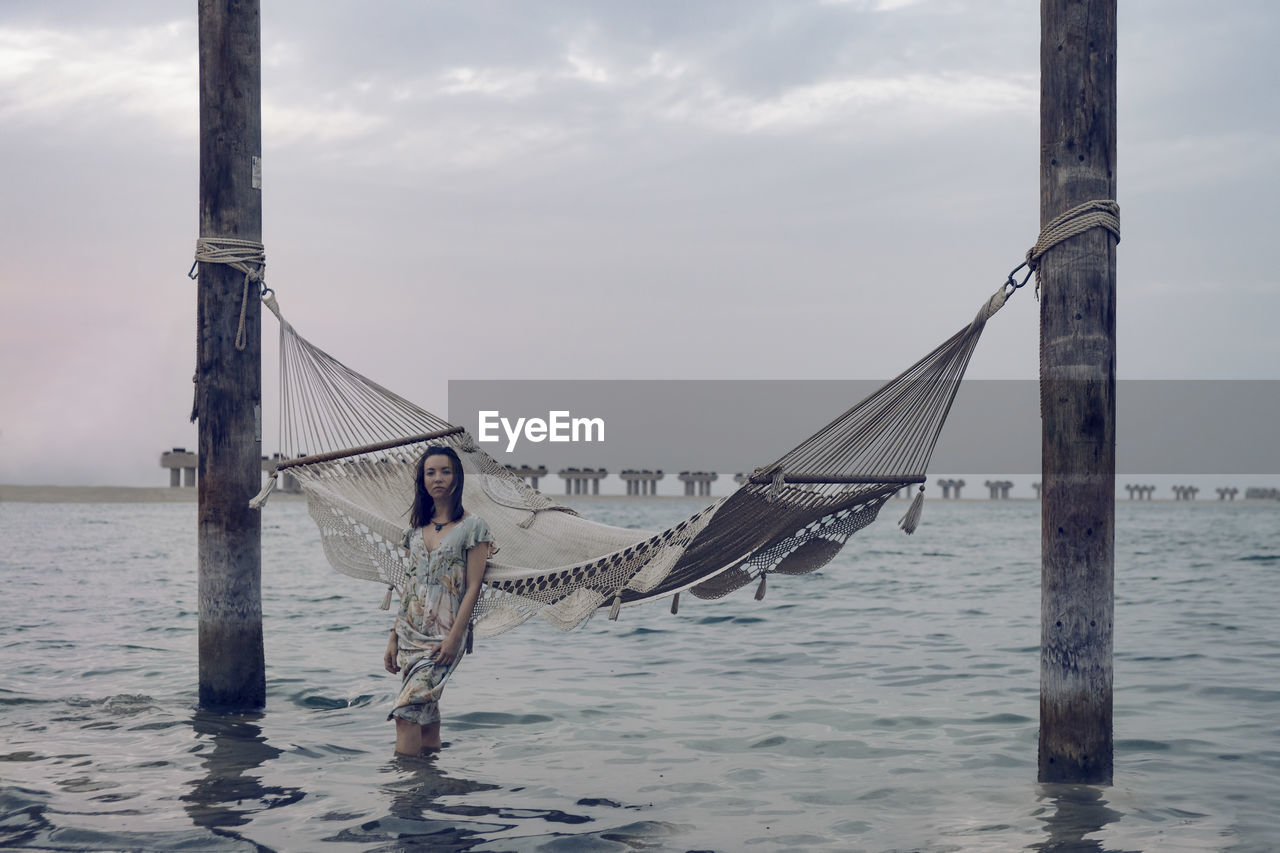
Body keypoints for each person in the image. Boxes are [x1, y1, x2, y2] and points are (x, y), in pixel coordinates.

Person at [384, 444, 494, 755]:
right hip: (409, 633)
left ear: (457, 478)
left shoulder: (473, 527)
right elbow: (409, 586)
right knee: (425, 716)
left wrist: (454, 638)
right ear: (423, 481)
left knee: (405, 714)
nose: (438, 478)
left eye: (445, 471)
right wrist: (393, 637)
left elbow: (473, 586)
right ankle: (431, 785)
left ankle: (404, 797)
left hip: (443, 635)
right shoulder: (416, 529)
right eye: (430, 472)